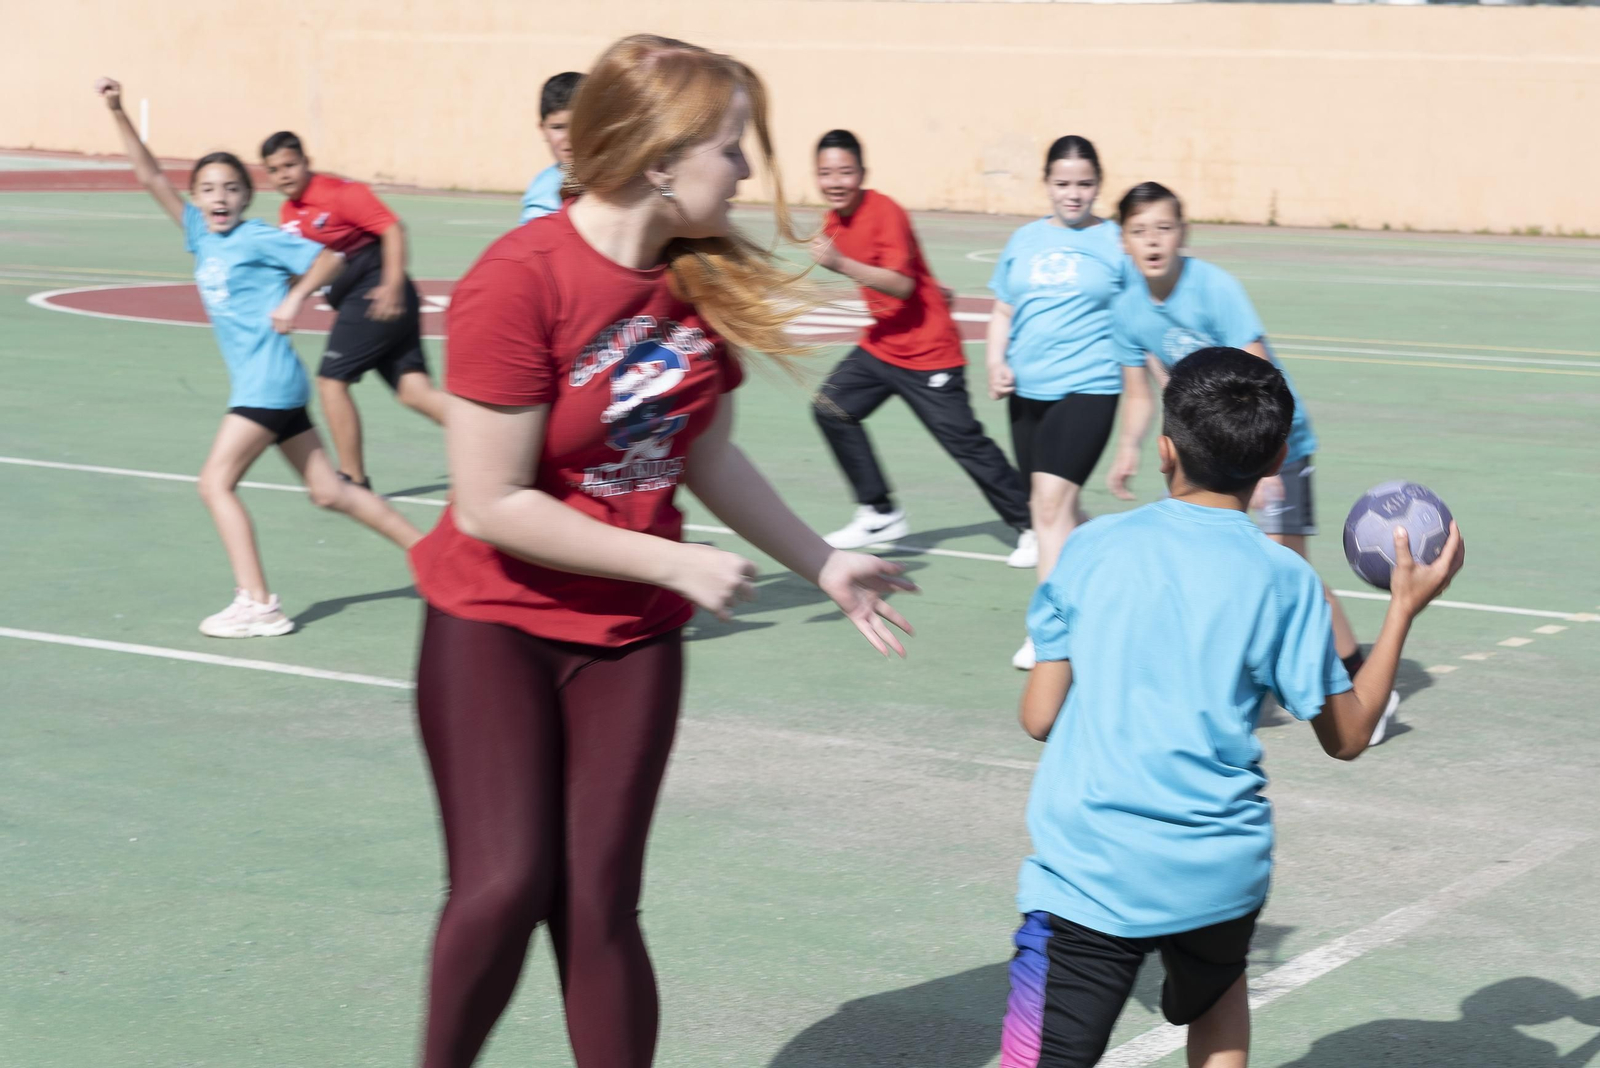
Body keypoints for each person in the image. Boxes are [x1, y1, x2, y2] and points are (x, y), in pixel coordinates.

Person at [406, 35, 916, 1068]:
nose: (743, 171)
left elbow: (707, 455)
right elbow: (492, 500)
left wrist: (821, 561)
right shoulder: (519, 280)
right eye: (730, 148)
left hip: (628, 642)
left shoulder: (689, 282)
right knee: (505, 885)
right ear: (657, 158)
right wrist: (672, 563)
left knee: (597, 902)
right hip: (494, 623)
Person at [1000, 347, 1465, 1068]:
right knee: (1217, 996)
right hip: (1218, 869)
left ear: (1164, 449)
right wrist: (1402, 610)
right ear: (1276, 458)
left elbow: (1038, 718)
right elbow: (1348, 738)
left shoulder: (1091, 549)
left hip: (1092, 869)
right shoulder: (1287, 580)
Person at [92, 78, 422, 637]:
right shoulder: (200, 233)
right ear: (196, 198)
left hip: (265, 384)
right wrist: (118, 110)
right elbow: (149, 175)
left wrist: (294, 297)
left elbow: (329, 260)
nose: (218, 198)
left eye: (229, 189)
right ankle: (435, 555)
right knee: (330, 491)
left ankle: (257, 602)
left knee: (213, 484)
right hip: (273, 384)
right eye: (207, 189)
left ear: (247, 196)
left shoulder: (259, 237)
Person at [1106, 181, 1400, 743]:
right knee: (1213, 560)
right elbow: (1143, 392)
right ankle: (1252, 677)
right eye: (1139, 231)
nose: (1153, 241)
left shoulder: (1215, 288)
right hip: (1211, 446)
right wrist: (1126, 448)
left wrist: (1265, 464)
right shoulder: (1126, 309)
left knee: (1289, 570)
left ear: (1183, 232)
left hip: (1272, 438)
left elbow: (1260, 372)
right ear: (1122, 240)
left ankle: (1359, 681)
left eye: (1164, 228)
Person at [809, 129, 1033, 562]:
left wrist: (840, 264)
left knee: (963, 442)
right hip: (882, 343)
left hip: (928, 349)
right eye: (825, 173)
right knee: (831, 409)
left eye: (845, 171)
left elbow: (902, 283)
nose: (835, 181)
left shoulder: (885, 211)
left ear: (862, 172)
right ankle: (879, 512)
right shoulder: (832, 221)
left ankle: (1032, 523)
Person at [986, 135, 1134, 671]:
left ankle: (1050, 635)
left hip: (1090, 386)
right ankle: (1116, 561)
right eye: (1063, 184)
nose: (1074, 195)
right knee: (1054, 513)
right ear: (1047, 183)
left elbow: (1146, 311)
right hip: (1027, 392)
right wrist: (995, 361)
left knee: (1048, 509)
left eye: (1085, 184)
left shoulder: (1118, 241)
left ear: (1099, 185)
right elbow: (1003, 311)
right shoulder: (1024, 239)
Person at [261, 131, 448, 490]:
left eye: (290, 164)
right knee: (414, 391)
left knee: (331, 382)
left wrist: (391, 284)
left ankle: (354, 480)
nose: (283, 174)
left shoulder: (341, 193)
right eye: (274, 169)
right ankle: (495, 439)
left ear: (306, 162)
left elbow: (392, 229)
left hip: (375, 291)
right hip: (370, 297)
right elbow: (305, 266)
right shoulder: (288, 213)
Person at [520, 71, 583, 223]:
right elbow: (533, 239)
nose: (568, 138)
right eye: (558, 127)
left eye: (578, 126)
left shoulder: (615, 180)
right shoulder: (543, 191)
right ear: (543, 129)